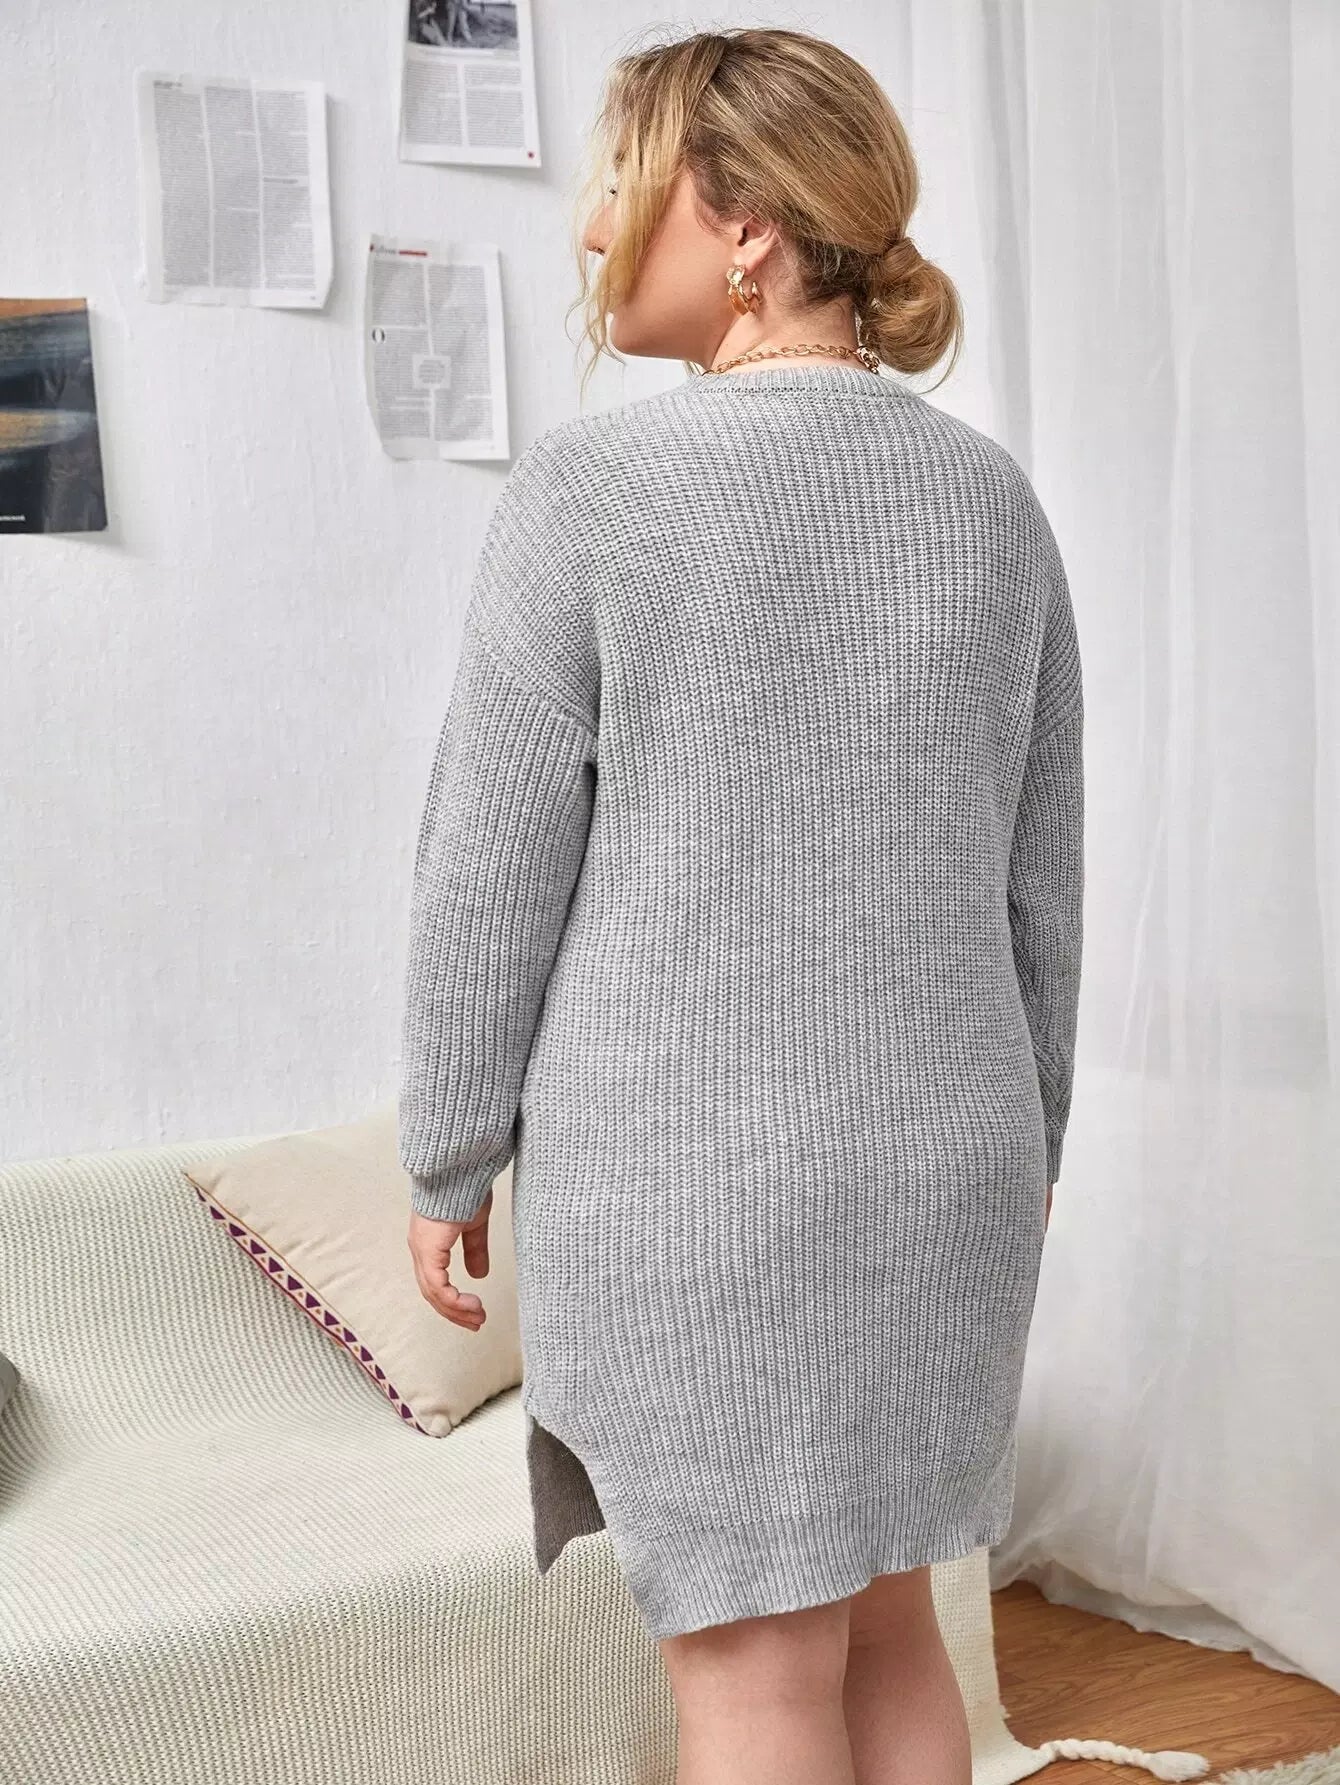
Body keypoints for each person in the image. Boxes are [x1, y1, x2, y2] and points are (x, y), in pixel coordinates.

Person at [398, 25, 1084, 1785]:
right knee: (889, 1633)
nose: (589, 229)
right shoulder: (993, 507)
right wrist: (1035, 1125)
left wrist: (447, 1151)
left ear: (749, 226)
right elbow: (1042, 884)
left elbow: (487, 865)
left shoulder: (595, 495)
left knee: (755, 1681)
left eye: (622, 186)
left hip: (705, 1189)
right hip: (950, 1174)